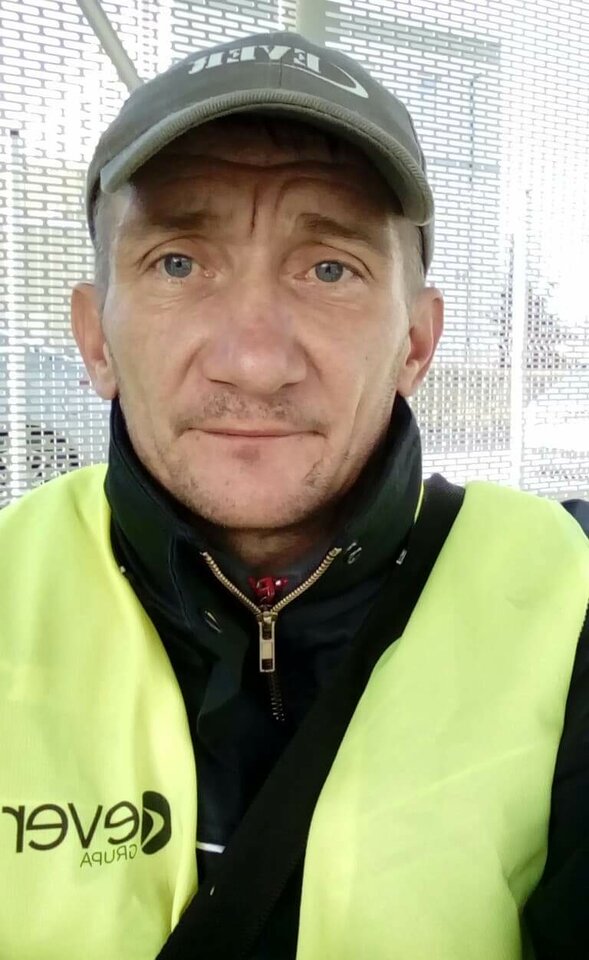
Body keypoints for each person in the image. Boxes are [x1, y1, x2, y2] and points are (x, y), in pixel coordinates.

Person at [0, 29, 587, 960]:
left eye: (329, 269)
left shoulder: (570, 605)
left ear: (416, 343)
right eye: (179, 263)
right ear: (95, 338)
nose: (254, 360)